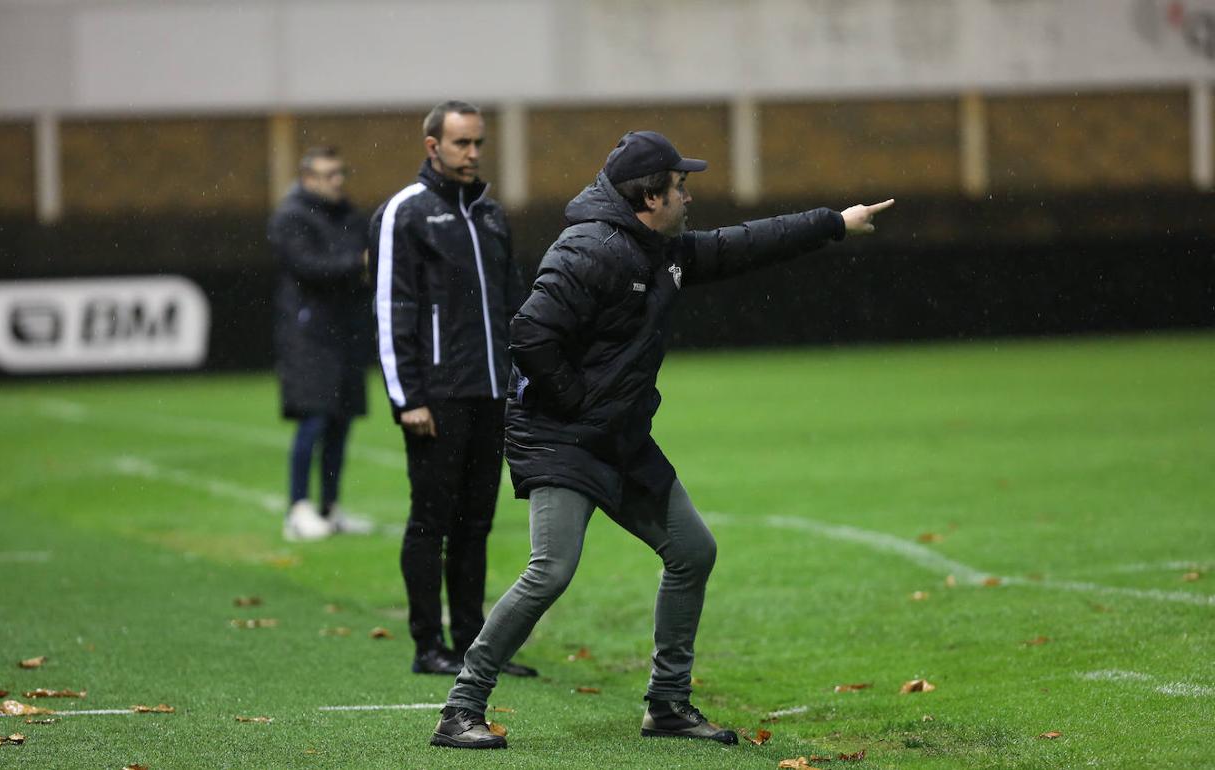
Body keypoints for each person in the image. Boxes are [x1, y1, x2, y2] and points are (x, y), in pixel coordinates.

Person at [431, 130, 894, 749]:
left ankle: (668, 704)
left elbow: (743, 244)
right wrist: (577, 404)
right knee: (551, 570)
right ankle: (460, 708)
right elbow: (530, 335)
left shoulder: (662, 248)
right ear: (649, 197)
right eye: (681, 186)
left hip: (616, 436)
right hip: (560, 437)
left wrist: (834, 222)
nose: (688, 195)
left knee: (692, 551)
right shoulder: (588, 249)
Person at [370, 100, 537, 678]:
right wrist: (406, 398)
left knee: (476, 523)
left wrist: (524, 378)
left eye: (478, 143)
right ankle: (427, 645)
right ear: (432, 146)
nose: (472, 154)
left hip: (492, 395)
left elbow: (515, 304)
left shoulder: (490, 215)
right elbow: (392, 311)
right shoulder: (405, 214)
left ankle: (473, 645)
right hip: (437, 398)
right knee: (430, 522)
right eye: (462, 143)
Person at [269, 146, 377, 542]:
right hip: (308, 336)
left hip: (346, 330)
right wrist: (358, 263)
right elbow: (308, 267)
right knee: (312, 421)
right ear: (307, 178)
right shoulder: (290, 217)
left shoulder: (349, 215)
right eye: (329, 174)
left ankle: (330, 508)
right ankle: (297, 509)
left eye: (340, 173)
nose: (338, 181)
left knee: (341, 423)